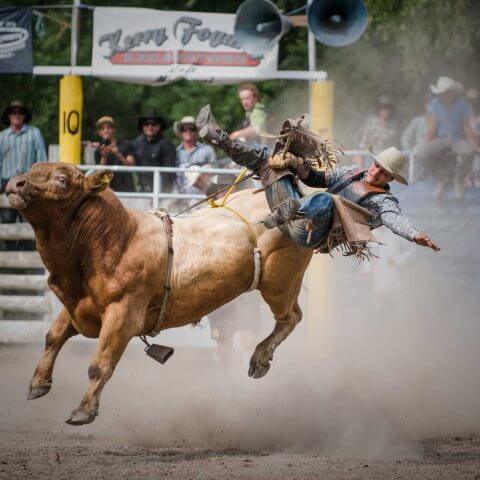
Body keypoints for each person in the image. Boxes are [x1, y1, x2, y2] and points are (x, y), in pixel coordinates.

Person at [197, 105, 440, 256]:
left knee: (327, 200)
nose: (377, 172)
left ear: (391, 179)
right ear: (373, 162)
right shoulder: (354, 170)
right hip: (295, 211)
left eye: (384, 172)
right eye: (378, 165)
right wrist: (296, 163)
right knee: (267, 158)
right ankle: (219, 139)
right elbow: (316, 178)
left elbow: (395, 220)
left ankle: (292, 211)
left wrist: (414, 234)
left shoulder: (383, 202)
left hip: (311, 234)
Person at [416, 76, 479, 200]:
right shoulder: (435, 104)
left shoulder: (463, 105)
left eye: (445, 93)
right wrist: (425, 143)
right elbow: (433, 126)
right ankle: (440, 180)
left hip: (457, 140)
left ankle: (458, 180)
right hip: (442, 139)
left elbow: (466, 127)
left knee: (470, 151)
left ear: (452, 92)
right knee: (422, 153)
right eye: (440, 93)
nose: (442, 95)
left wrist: (475, 144)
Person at [0, 101, 46, 249]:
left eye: (20, 112)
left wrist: (40, 183)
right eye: (13, 112)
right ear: (9, 116)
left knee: (28, 221)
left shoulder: (34, 133)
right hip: (7, 184)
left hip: (28, 182)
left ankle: (26, 257)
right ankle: (11, 254)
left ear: (24, 115)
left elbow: (42, 159)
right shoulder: (2, 137)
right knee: (7, 222)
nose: (16, 115)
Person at [131, 113, 176, 192]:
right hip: (142, 189)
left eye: (153, 124)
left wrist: (164, 193)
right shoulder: (136, 143)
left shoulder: (167, 145)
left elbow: (169, 173)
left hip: (160, 190)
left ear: (159, 127)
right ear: (142, 127)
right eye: (146, 124)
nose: (150, 127)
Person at [93, 116, 136, 192]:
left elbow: (131, 167)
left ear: (114, 130)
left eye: (109, 127)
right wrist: (104, 157)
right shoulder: (98, 151)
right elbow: (99, 175)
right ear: (99, 133)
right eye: (102, 128)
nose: (106, 130)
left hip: (127, 190)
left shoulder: (126, 144)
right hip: (108, 191)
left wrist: (118, 154)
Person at [174, 115, 216, 192]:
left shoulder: (207, 150)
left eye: (192, 128)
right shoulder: (175, 152)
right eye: (184, 129)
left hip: (203, 196)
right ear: (181, 131)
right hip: (181, 197)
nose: (188, 131)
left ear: (196, 131)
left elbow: (215, 173)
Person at [356, 95, 397, 166]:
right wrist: (360, 151)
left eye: (388, 109)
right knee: (369, 174)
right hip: (370, 155)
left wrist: (383, 128)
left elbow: (391, 138)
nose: (386, 111)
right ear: (379, 110)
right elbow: (364, 137)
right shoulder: (371, 121)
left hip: (385, 156)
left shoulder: (392, 124)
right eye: (383, 109)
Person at [400, 95, 430, 181]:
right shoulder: (417, 121)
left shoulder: (442, 122)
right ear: (426, 105)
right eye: (429, 104)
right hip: (418, 159)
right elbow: (405, 138)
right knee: (417, 182)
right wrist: (410, 152)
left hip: (436, 159)